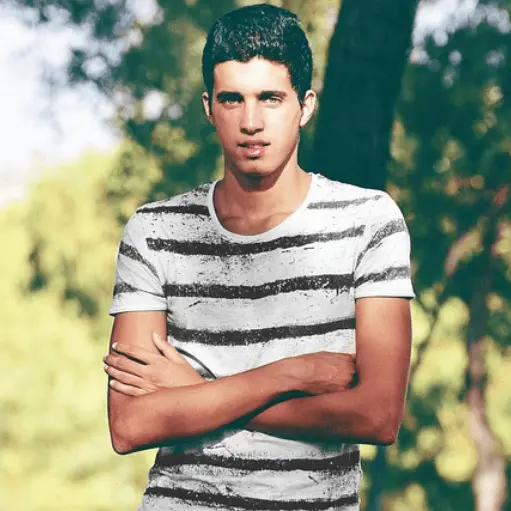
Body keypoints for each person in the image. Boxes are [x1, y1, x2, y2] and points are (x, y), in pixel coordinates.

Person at [103, 4, 415, 510]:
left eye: (270, 98)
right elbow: (130, 425)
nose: (251, 122)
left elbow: (378, 417)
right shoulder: (155, 230)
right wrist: (290, 376)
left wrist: (198, 390)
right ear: (209, 107)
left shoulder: (369, 221)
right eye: (232, 100)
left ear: (305, 106)